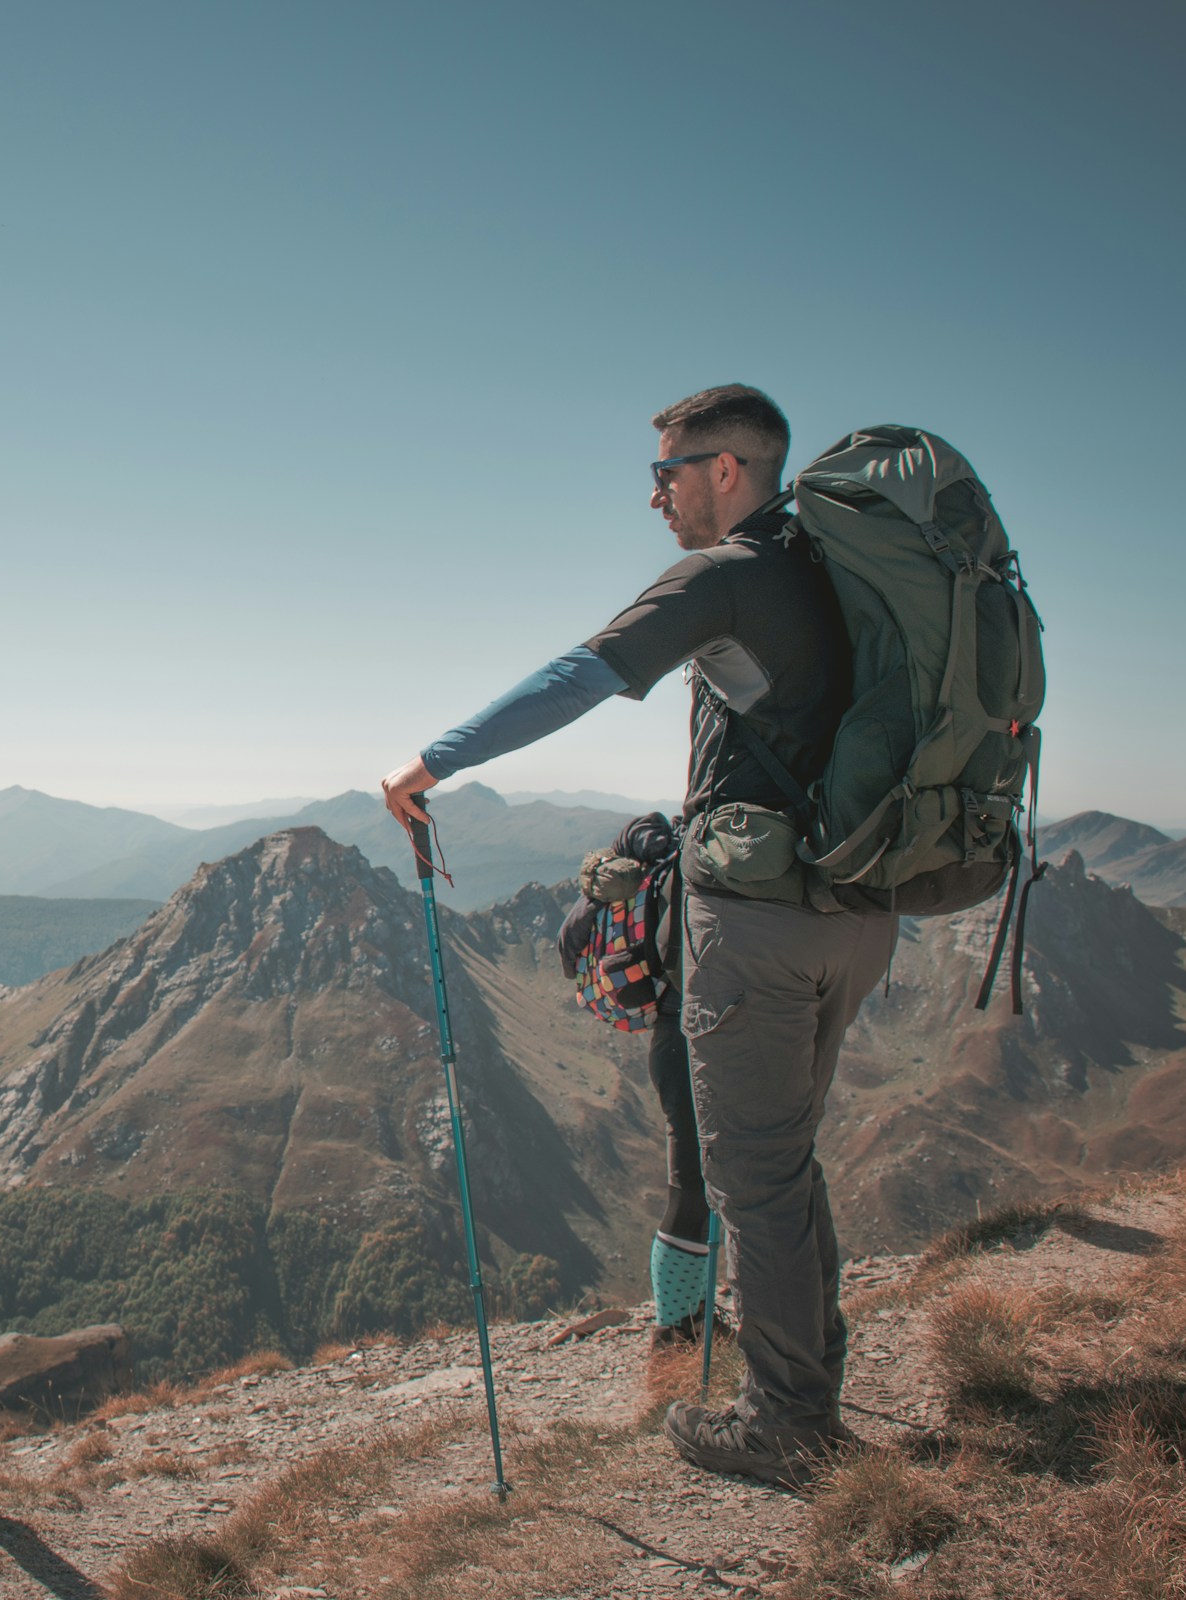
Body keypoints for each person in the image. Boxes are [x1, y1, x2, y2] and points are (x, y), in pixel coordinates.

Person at [382, 384, 898, 1488]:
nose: (653, 493)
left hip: (760, 922)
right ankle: (813, 1386)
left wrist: (433, 761)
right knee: (785, 1159)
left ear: (729, 471)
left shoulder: (725, 575)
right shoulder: (835, 573)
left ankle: (789, 1421)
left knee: (747, 1172)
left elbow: (582, 673)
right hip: (858, 911)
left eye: (668, 470)